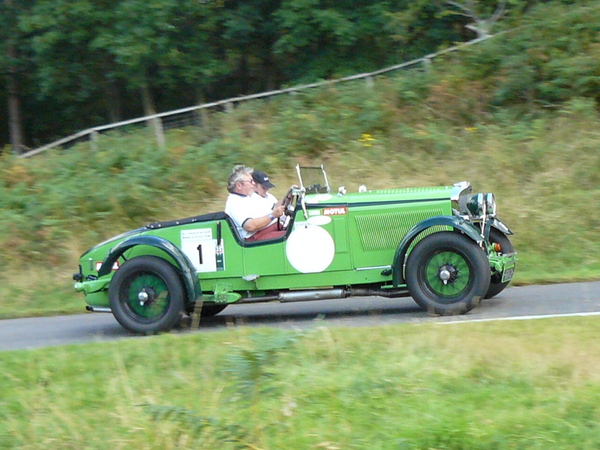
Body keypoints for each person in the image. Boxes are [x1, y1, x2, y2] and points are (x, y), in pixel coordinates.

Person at [224, 165, 286, 242]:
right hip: (254, 239)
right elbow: (250, 226)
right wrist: (273, 215)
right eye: (250, 181)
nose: (253, 184)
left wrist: (287, 198)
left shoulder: (248, 197)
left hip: (269, 229)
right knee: (292, 236)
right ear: (239, 185)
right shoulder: (234, 202)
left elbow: (271, 208)